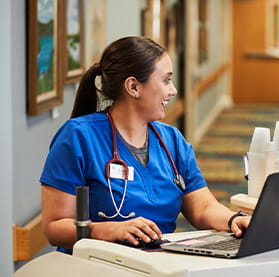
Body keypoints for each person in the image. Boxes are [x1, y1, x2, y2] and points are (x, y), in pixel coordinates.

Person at [40, 36, 250, 254]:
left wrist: (232, 219)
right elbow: (54, 227)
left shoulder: (172, 140)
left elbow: (202, 207)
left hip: (159, 262)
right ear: (133, 86)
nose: (173, 91)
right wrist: (109, 230)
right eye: (166, 80)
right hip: (98, 264)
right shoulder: (78, 137)